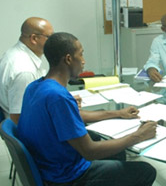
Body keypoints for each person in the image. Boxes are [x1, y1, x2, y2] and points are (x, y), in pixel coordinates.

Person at [17, 32, 157, 186]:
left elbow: (73, 115)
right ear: (68, 59)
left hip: (46, 165)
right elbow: (90, 151)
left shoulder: (36, 86)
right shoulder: (58, 97)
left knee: (116, 153)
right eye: (81, 54)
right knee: (146, 172)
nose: (83, 61)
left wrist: (117, 113)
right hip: (61, 178)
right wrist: (138, 136)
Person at [0, 17, 139, 125]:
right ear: (34, 39)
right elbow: (18, 117)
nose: (53, 41)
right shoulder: (24, 70)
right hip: (40, 137)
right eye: (50, 37)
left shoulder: (16, 54)